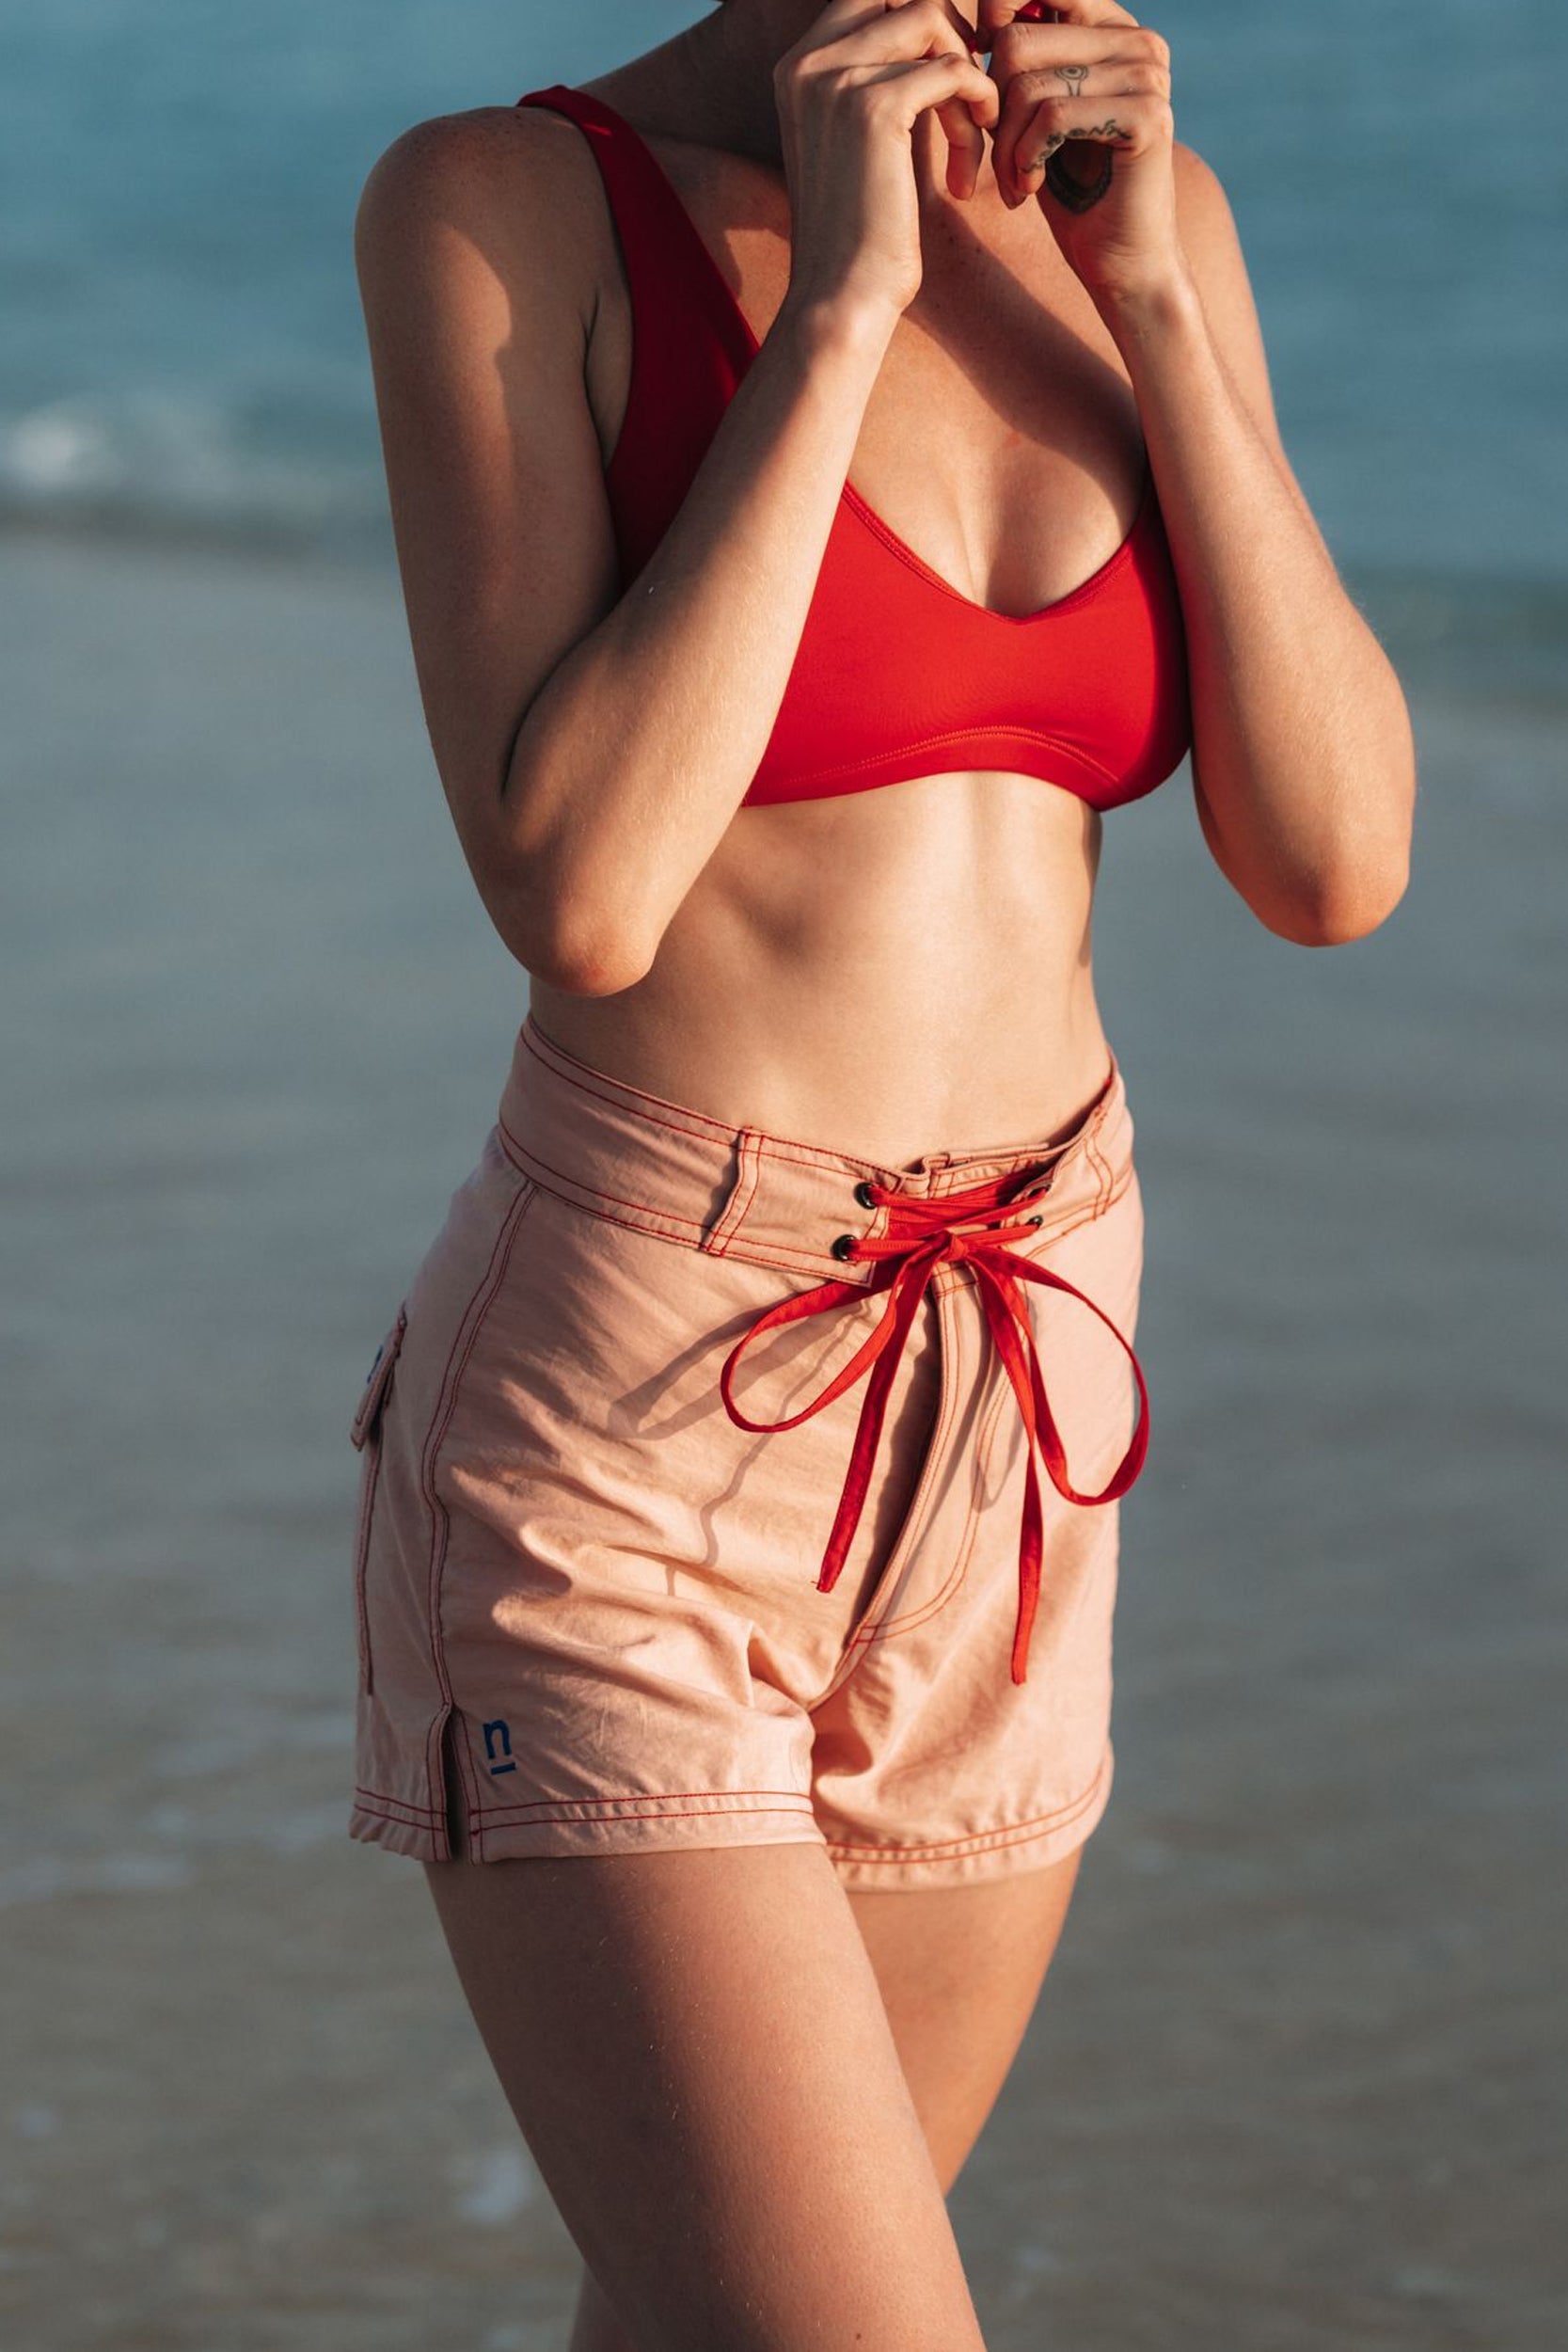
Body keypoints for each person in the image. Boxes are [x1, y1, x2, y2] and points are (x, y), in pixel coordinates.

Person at [345, 0, 1416, 2343]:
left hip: (1023, 1401)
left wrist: (1155, 302)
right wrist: (837, 306)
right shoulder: (506, 207)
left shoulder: (1143, 218)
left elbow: (1336, 859)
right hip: (646, 1419)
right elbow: (581, 885)